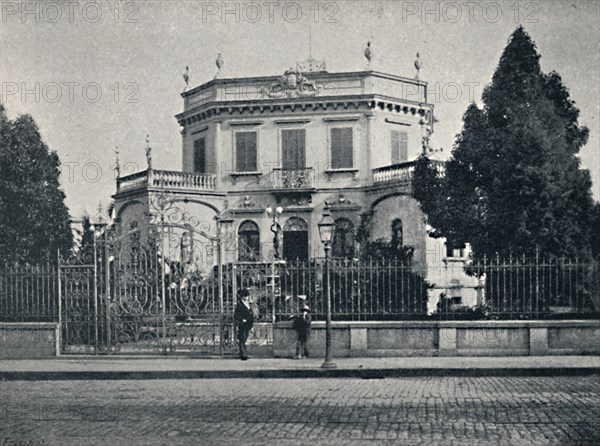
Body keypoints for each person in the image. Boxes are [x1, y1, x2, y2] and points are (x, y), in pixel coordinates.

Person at [234, 288, 254, 360]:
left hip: (248, 324)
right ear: (241, 297)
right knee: (242, 339)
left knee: (244, 339)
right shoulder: (240, 304)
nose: (246, 297)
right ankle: (243, 354)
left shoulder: (248, 304)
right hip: (243, 324)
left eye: (247, 296)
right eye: (244, 296)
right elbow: (236, 315)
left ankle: (242, 352)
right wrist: (242, 319)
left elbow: (251, 313)